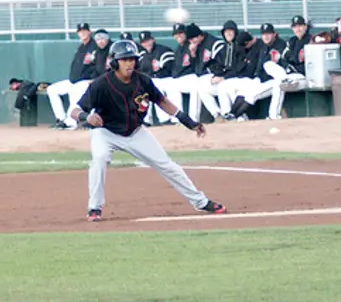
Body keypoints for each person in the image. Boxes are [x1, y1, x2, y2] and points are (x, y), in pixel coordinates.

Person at [75, 40, 227, 222]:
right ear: (114, 62)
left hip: (135, 131)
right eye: (125, 60)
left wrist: (186, 120)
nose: (129, 63)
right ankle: (95, 207)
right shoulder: (101, 84)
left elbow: (161, 101)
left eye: (132, 59)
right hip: (105, 132)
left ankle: (200, 202)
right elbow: (74, 111)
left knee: (167, 165)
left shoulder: (143, 80)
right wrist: (86, 117)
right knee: (99, 160)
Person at [229, 23, 290, 120]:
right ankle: (230, 114)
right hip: (261, 78)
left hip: (275, 80)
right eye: (264, 34)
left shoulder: (280, 45)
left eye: (269, 33)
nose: (266, 36)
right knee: (243, 91)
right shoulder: (262, 46)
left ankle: (235, 116)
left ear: (274, 34)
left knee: (251, 95)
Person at [46, 22, 98, 127]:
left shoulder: (94, 47)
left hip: (86, 81)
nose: (82, 33)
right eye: (80, 31)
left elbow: (99, 66)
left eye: (84, 31)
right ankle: (61, 119)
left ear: (89, 32)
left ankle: (70, 123)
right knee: (51, 89)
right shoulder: (81, 47)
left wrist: (94, 79)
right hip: (74, 80)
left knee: (74, 92)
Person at [198, 20, 242, 121]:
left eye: (231, 31)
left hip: (238, 79)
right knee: (203, 88)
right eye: (226, 32)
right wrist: (215, 76)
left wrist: (223, 77)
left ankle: (231, 115)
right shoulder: (224, 48)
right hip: (226, 79)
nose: (229, 33)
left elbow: (239, 69)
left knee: (223, 86)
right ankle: (217, 115)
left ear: (235, 32)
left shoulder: (240, 47)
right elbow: (218, 65)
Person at [136, 30, 175, 125]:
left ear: (153, 40)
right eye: (143, 42)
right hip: (151, 80)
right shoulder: (142, 55)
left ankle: (165, 119)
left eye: (148, 41)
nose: (146, 44)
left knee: (156, 90)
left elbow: (169, 69)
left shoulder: (164, 50)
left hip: (165, 79)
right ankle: (145, 120)